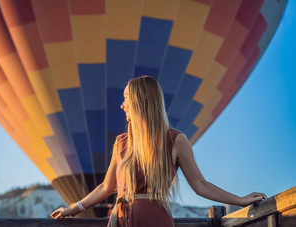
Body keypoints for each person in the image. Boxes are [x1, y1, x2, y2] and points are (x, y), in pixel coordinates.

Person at [50, 75, 267, 226]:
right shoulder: (122, 142)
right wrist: (74, 208)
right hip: (121, 220)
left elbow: (200, 185)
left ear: (139, 100)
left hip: (156, 220)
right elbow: (106, 186)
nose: (122, 104)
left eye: (126, 98)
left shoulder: (176, 140)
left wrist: (239, 200)